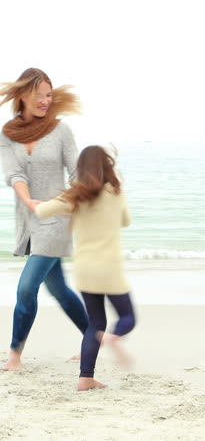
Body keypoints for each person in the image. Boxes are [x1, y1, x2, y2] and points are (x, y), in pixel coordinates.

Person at [0, 68, 89, 371]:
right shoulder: (8, 133)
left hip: (58, 217)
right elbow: (14, 174)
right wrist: (28, 202)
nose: (45, 101)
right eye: (39, 95)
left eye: (49, 95)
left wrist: (73, 203)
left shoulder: (60, 130)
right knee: (59, 289)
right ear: (23, 95)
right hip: (29, 220)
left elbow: (77, 171)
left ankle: (14, 355)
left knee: (26, 288)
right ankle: (94, 337)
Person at [35, 145, 136, 390]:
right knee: (127, 317)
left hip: (85, 269)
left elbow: (41, 211)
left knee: (95, 323)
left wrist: (39, 201)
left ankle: (85, 378)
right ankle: (112, 338)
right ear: (107, 166)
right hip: (109, 269)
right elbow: (126, 221)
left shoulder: (75, 196)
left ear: (81, 168)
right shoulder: (115, 193)